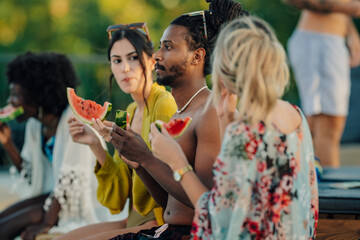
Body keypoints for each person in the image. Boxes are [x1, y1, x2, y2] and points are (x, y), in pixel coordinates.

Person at [150, 16, 319, 240]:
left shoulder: (244, 133)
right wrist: (227, 117)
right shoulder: (296, 116)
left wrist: (177, 162)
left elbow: (216, 217)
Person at [107, 0, 248, 239]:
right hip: (167, 229)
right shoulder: (180, 113)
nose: (157, 56)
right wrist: (138, 163)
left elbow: (203, 201)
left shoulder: (210, 112)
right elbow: (168, 203)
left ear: (197, 56)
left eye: (168, 47)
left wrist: (146, 156)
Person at [59, 23, 177, 240]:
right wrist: (96, 144)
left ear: (152, 61)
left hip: (157, 220)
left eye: (133, 58)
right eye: (117, 60)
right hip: (132, 217)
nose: (125, 68)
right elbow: (121, 189)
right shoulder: (130, 111)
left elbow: (173, 177)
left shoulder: (164, 104)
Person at [0, 52, 111, 240]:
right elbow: (30, 174)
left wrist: (45, 225)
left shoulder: (74, 121)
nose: (10, 102)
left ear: (37, 94)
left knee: (5, 228)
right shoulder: (36, 125)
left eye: (16, 95)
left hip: (82, 204)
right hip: (53, 198)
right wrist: (8, 144)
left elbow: (70, 183)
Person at [285, 0, 360, 167]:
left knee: (319, 130)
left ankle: (307, 186)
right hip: (319, 44)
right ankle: (323, 192)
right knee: (327, 130)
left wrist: (349, 29)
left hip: (326, 43)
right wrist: (350, 8)